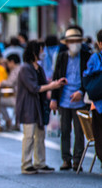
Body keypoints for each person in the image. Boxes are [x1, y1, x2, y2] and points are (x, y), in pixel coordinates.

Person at [16, 40, 67, 175]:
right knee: (29, 136)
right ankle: (26, 164)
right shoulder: (25, 68)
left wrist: (54, 83)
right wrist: (52, 86)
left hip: (39, 106)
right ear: (34, 51)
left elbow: (43, 84)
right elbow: (34, 88)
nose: (43, 52)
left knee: (40, 135)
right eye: (41, 49)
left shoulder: (38, 68)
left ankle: (40, 162)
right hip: (28, 106)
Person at [50, 26, 92, 171]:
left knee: (80, 132)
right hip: (64, 100)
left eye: (76, 41)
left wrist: (81, 91)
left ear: (81, 42)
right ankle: (66, 159)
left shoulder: (87, 56)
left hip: (80, 100)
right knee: (65, 130)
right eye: (71, 41)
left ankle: (77, 160)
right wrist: (54, 99)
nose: (74, 43)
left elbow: (89, 78)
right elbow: (56, 77)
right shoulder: (61, 57)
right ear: (67, 43)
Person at [82, 29, 102, 164]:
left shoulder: (95, 58)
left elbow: (87, 75)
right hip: (98, 104)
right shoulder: (95, 58)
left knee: (99, 135)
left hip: (97, 103)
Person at [0, 54, 21, 130]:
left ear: (12, 62)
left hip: (17, 97)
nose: (7, 65)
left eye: (8, 63)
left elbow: (10, 82)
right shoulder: (22, 68)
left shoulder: (16, 70)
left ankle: (8, 120)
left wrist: (0, 83)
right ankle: (15, 123)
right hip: (21, 96)